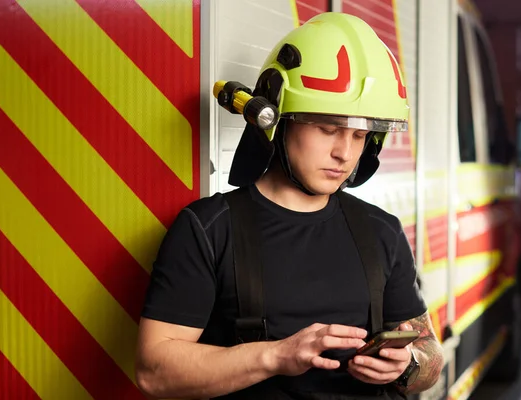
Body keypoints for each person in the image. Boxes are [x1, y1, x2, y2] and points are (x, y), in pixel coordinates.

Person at [135, 12, 444, 400]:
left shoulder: (382, 230)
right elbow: (153, 371)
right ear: (278, 121)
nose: (344, 153)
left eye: (360, 134)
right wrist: (276, 356)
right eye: (327, 129)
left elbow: (430, 358)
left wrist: (408, 365)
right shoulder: (209, 229)